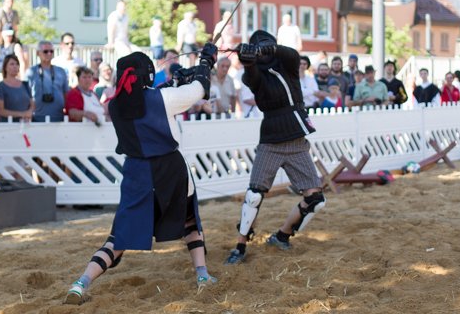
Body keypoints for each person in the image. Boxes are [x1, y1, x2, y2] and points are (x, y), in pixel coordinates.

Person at [63, 45, 219, 305]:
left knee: (118, 238)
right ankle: (202, 275)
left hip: (137, 173)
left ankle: (82, 282)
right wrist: (205, 63)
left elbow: (146, 97)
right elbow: (199, 90)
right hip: (170, 170)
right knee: (190, 220)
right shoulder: (161, 98)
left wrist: (175, 80)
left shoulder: (115, 106)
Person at [224, 30, 322, 265]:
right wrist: (248, 60)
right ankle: (239, 247)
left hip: (297, 139)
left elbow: (292, 55)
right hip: (271, 140)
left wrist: (271, 48)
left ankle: (282, 236)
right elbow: (251, 77)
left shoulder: (286, 63)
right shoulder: (253, 72)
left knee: (315, 198)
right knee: (254, 196)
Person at [24, 41, 70, 122]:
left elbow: (66, 94)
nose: (49, 54)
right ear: (38, 53)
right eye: (45, 51)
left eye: (51, 51)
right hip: (36, 117)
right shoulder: (30, 72)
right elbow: (26, 95)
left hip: (58, 118)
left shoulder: (61, 72)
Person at [0, 54, 34, 123]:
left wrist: (29, 112)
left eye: (17, 64)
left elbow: (32, 104)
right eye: (12, 64)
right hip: (8, 126)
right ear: (5, 67)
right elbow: (1, 110)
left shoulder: (25, 84)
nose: (15, 67)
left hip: (25, 124)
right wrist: (21, 114)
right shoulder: (1, 86)